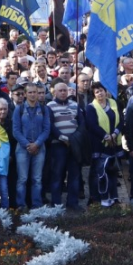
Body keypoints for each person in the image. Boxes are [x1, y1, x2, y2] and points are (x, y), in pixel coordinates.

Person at [47, 82, 84, 211]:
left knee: (74, 175)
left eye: (65, 90)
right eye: (60, 90)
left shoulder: (75, 105)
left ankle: (73, 203)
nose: (63, 93)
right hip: (58, 145)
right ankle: (56, 204)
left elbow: (81, 123)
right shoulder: (50, 106)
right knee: (57, 175)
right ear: (55, 92)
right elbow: (50, 125)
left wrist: (73, 139)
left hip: (74, 145)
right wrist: (62, 138)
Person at [85, 82, 123, 207]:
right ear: (94, 95)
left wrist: (114, 134)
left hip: (114, 143)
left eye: (101, 90)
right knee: (100, 174)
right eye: (97, 92)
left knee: (113, 172)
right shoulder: (91, 107)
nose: (100, 93)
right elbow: (92, 125)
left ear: (105, 91)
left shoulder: (114, 103)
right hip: (99, 144)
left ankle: (114, 198)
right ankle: (100, 199)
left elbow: (121, 120)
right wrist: (106, 136)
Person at [12, 82, 49, 210]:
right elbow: (16, 130)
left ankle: (36, 206)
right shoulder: (19, 109)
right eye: (30, 92)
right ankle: (21, 206)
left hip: (39, 148)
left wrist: (37, 144)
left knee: (37, 179)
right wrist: (28, 145)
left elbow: (46, 129)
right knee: (22, 179)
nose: (33, 95)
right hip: (23, 149)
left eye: (35, 92)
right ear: (25, 94)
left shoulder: (43, 109)